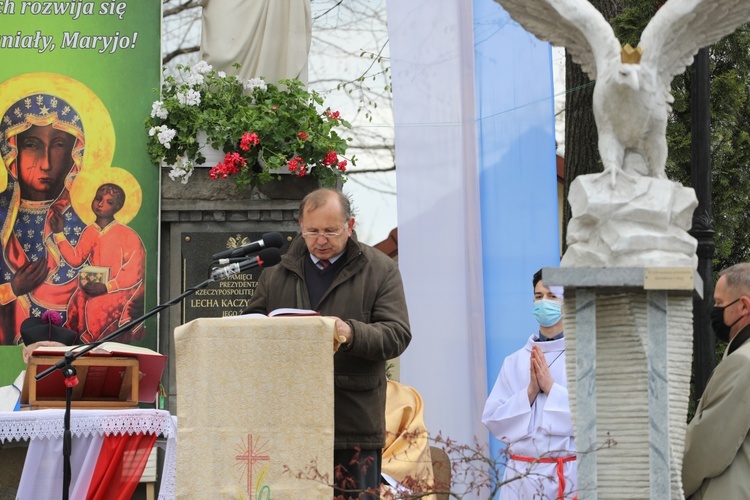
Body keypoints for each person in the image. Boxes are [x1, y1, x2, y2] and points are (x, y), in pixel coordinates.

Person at [243, 188, 412, 498]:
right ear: (300, 226)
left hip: (353, 424)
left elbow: (397, 334)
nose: (321, 240)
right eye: (312, 231)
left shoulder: (379, 269)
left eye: (331, 231)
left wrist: (350, 333)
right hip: (288, 421)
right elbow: (251, 329)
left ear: (350, 225)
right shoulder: (276, 271)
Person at [0, 93, 87, 344]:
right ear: (11, 152)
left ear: (74, 154)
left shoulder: (83, 224)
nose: (46, 163)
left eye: (59, 145)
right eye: (32, 144)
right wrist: (12, 289)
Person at [482, 269, 577, 500]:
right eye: (538, 296)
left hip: (570, 476)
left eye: (552, 296)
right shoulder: (514, 361)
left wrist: (551, 388)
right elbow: (493, 420)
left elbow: (595, 419)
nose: (543, 302)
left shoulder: (581, 359)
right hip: (521, 479)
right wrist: (531, 392)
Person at [682, 263, 750, 499]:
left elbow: (706, 449)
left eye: (719, 303)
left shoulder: (743, 362)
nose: (714, 310)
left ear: (743, 306)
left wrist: (668, 486)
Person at [49, 183, 146, 343]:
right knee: (77, 299)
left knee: (97, 305)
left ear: (117, 207)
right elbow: (76, 259)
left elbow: (133, 273)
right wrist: (59, 233)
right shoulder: (90, 231)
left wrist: (107, 286)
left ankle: (93, 344)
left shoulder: (128, 235)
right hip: (96, 285)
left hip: (119, 290)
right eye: (98, 199)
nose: (100, 204)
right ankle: (74, 345)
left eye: (109, 202)